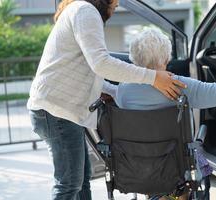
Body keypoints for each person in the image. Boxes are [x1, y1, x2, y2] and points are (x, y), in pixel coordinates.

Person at [27, 1, 186, 200]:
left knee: (81, 181)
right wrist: (153, 77)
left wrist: (115, 90)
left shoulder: (81, 10)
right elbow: (101, 63)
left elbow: (88, 69)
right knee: (69, 184)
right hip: (57, 112)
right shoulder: (86, 11)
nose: (118, 3)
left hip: (59, 111)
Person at [106, 28, 216, 200]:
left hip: (138, 168)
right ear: (166, 58)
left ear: (133, 58)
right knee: (197, 158)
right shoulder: (177, 86)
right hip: (180, 170)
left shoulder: (123, 91)